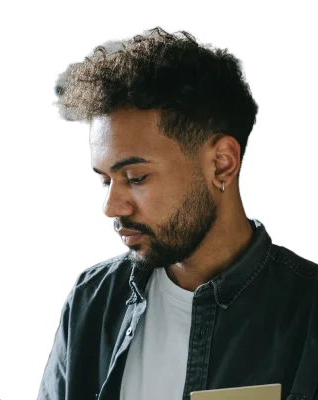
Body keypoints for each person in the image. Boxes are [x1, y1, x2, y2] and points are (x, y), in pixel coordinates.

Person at [40, 26, 318, 400]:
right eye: (105, 180)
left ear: (221, 163)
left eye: (136, 177)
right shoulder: (94, 299)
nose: (111, 207)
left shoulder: (308, 313)